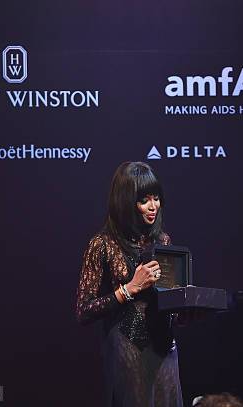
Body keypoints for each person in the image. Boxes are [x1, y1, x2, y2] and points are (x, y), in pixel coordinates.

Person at [76, 162, 183, 407]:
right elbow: (84, 310)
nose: (153, 206)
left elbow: (168, 302)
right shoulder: (101, 244)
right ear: (126, 202)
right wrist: (130, 288)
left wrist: (183, 311)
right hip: (127, 347)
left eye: (156, 198)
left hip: (165, 348)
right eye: (144, 200)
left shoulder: (163, 240)